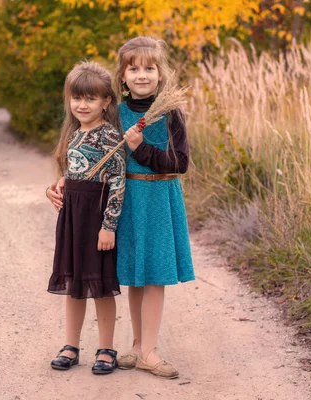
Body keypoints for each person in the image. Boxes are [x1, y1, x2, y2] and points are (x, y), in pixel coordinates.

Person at [112, 36, 195, 379]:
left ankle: (150, 350)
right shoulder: (115, 113)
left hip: (160, 198)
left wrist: (141, 148)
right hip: (129, 200)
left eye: (149, 68)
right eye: (134, 68)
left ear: (161, 75)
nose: (142, 75)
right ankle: (135, 344)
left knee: (156, 277)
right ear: (123, 76)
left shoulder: (170, 111)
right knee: (134, 275)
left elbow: (181, 162)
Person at [45, 61, 126, 375]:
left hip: (95, 219)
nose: (81, 104)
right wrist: (54, 187)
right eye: (76, 98)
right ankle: (71, 345)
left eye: (90, 99)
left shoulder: (109, 136)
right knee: (74, 281)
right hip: (72, 218)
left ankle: (106, 348)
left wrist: (109, 227)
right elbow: (70, 173)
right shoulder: (73, 132)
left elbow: (118, 183)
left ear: (106, 102)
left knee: (101, 286)